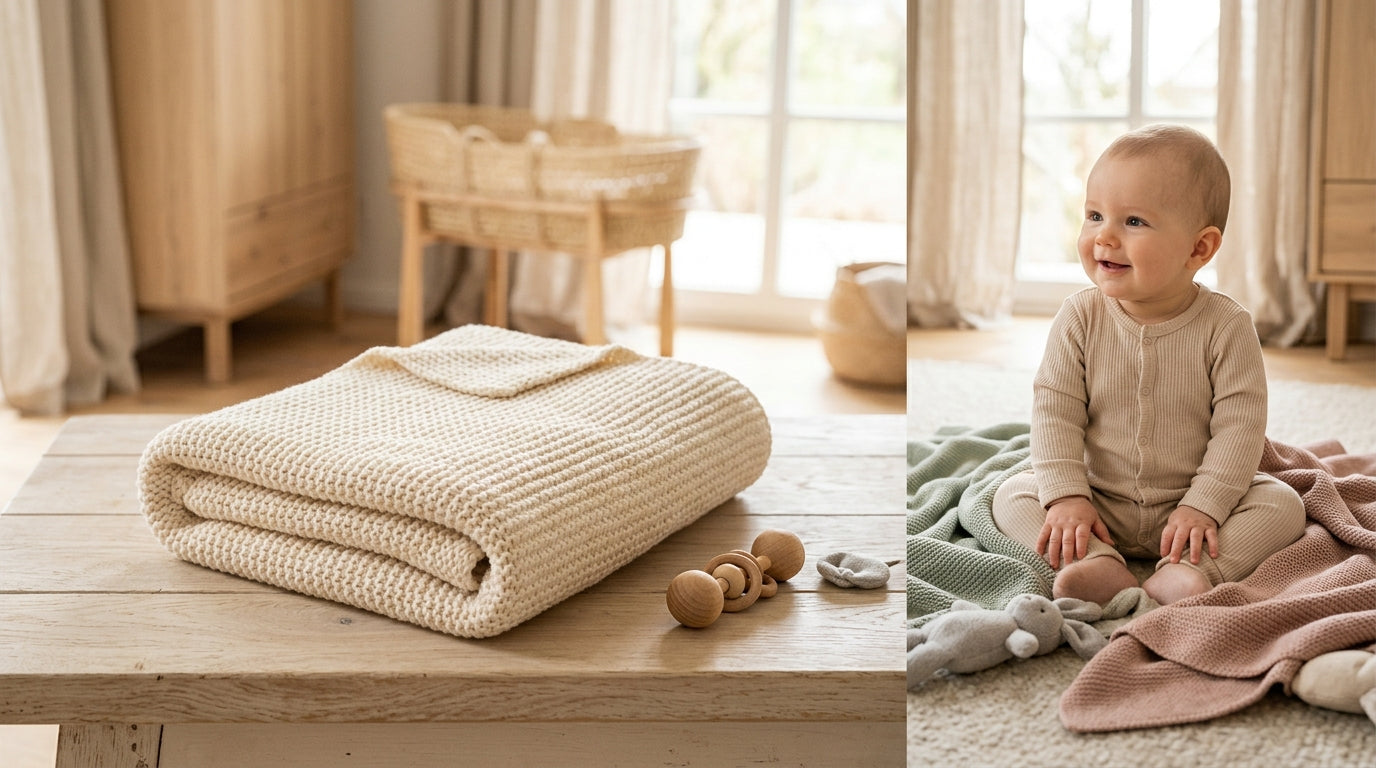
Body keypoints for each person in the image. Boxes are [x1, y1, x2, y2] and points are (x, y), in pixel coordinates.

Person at [992, 124, 1306, 606]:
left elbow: (1240, 429)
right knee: (1012, 493)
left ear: (1199, 248)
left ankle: (1192, 570)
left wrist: (1205, 505)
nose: (1105, 237)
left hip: (1194, 507)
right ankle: (1093, 558)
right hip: (1098, 501)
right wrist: (1067, 496)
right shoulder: (1079, 316)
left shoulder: (1227, 325)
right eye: (1094, 215)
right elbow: (1054, 411)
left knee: (1283, 505)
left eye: (1133, 222)